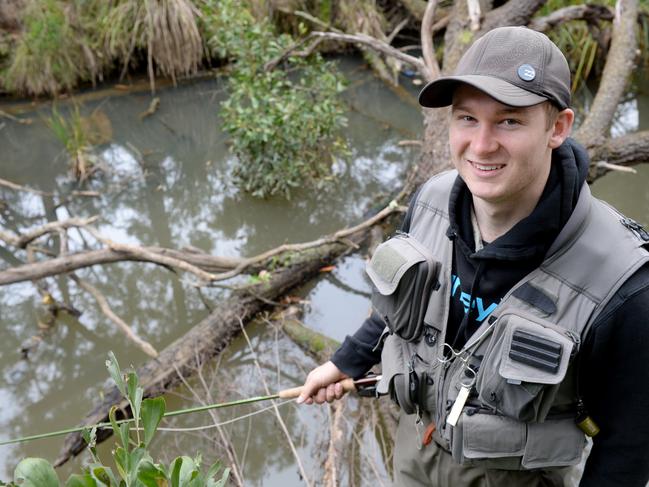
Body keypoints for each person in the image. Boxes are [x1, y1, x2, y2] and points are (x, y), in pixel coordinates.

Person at [297, 26, 649, 487]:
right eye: (467, 119)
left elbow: (628, 447)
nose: (481, 146)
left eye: (509, 121)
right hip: (417, 457)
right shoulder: (430, 200)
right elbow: (399, 301)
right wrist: (348, 361)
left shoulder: (623, 285)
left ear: (557, 128)